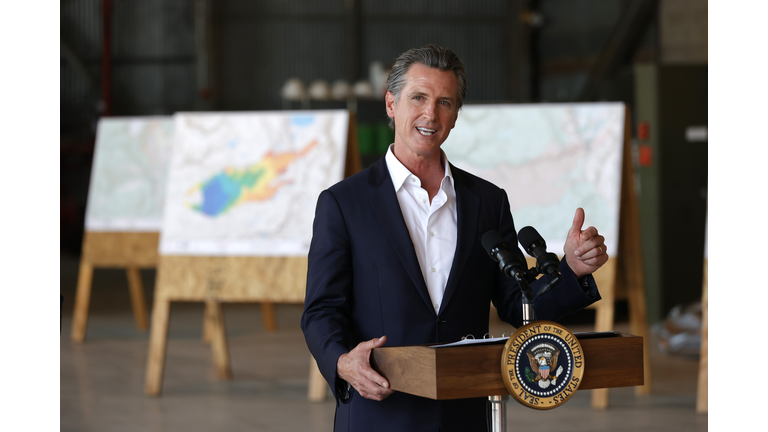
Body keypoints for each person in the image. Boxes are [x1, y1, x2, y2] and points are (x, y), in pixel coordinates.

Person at [301, 45, 609, 432]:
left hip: (466, 412)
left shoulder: (487, 201)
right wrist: (343, 362)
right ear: (391, 104)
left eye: (445, 102)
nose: (431, 114)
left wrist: (572, 270)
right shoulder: (343, 203)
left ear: (456, 115)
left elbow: (518, 304)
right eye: (418, 98)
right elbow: (321, 310)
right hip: (379, 412)